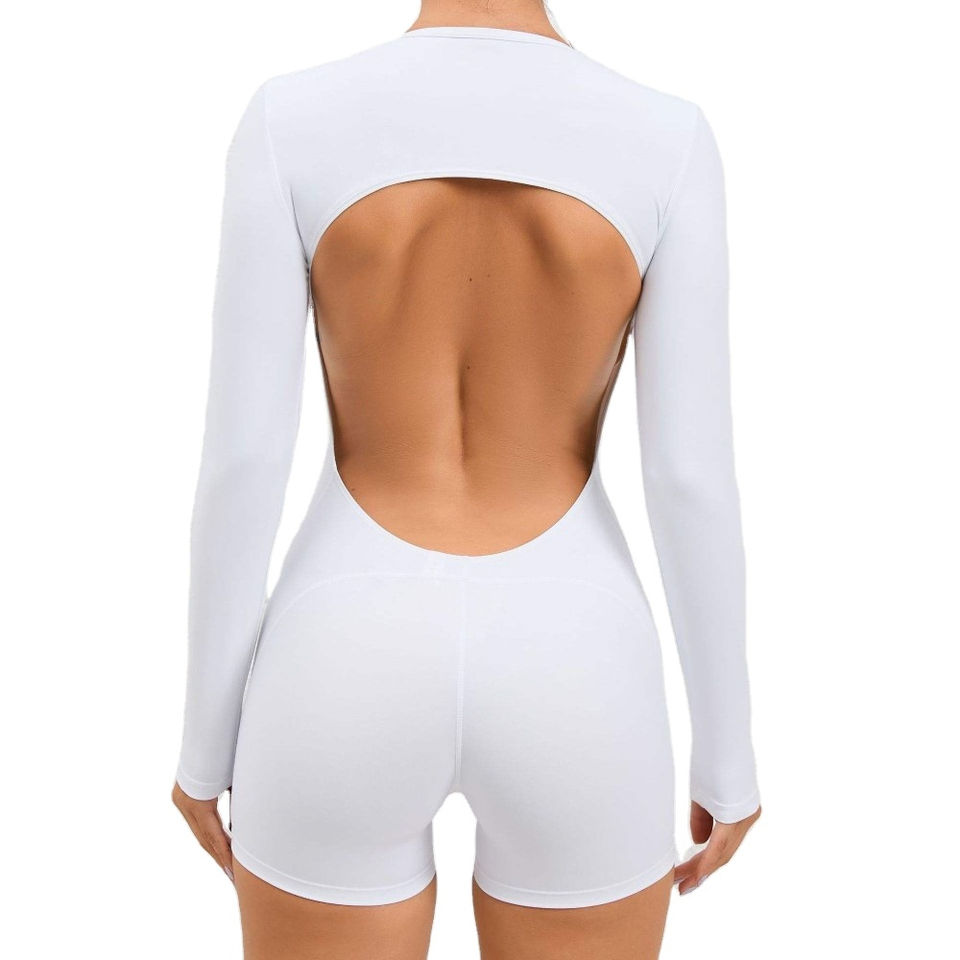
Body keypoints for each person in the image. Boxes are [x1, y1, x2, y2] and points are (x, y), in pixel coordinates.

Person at [172, 1, 761, 957]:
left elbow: (245, 458)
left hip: (340, 644)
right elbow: (688, 476)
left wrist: (205, 746)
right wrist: (728, 756)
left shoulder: (290, 118)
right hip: (577, 655)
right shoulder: (669, 137)